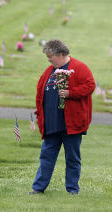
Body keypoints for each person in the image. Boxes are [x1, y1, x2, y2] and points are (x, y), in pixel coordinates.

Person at [30, 39, 95, 195]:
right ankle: (38, 188)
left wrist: (71, 93)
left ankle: (72, 189)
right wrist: (40, 114)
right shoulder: (49, 71)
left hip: (72, 125)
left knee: (72, 158)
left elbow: (90, 85)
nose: (49, 59)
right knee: (46, 157)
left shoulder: (79, 67)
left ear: (60, 54)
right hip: (52, 124)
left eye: (50, 56)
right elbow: (41, 94)